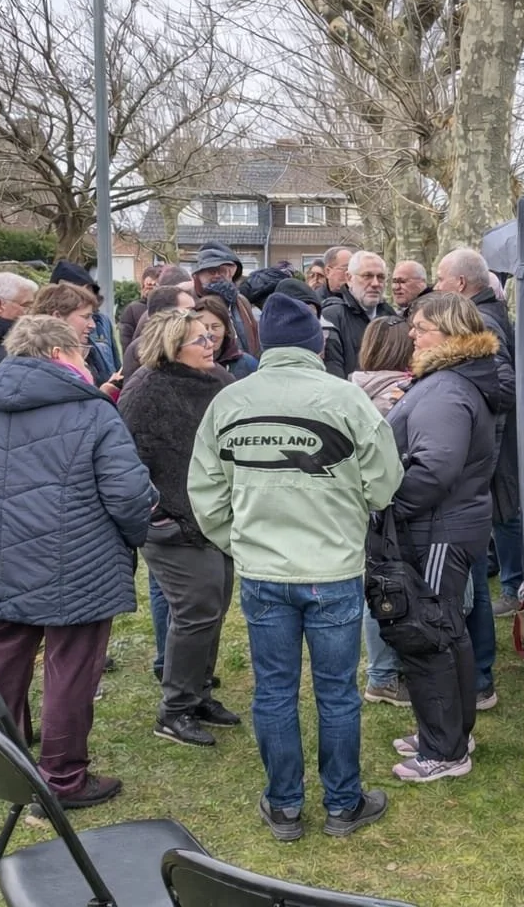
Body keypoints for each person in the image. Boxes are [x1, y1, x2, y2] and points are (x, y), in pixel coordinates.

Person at [189, 293, 402, 840]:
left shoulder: (230, 402)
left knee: (274, 690)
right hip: (331, 570)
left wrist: (240, 543)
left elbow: (206, 493)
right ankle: (342, 804)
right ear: (317, 344)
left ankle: (285, 807)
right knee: (336, 691)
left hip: (264, 571)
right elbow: (385, 483)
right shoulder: (347, 400)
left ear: (267, 346)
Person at [0, 314, 155, 810]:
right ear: (62, 355)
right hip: (76, 558)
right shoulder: (93, 411)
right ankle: (62, 779)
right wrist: (135, 537)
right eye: (82, 351)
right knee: (71, 667)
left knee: (0, 653)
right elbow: (128, 494)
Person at [384, 292, 505, 780]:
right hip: (447, 524)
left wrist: (392, 509)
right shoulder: (447, 382)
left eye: (421, 327)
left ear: (451, 334)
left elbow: (435, 468)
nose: (412, 334)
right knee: (448, 631)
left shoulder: (448, 390)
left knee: (430, 633)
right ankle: (449, 731)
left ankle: (444, 752)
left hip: (438, 529)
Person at [119, 309, 239, 749]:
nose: (210, 344)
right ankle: (174, 711)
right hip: (173, 523)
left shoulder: (221, 383)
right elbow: (126, 463)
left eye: (211, 337)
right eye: (199, 340)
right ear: (172, 347)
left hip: (216, 518)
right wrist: (159, 514)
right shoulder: (145, 390)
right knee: (195, 612)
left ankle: (199, 693)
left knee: (215, 606)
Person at [435, 251, 520, 674]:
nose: (436, 286)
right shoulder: (488, 313)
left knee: (474, 555)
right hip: (484, 455)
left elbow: (505, 387)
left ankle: (479, 668)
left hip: (481, 458)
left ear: (462, 285)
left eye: (440, 279)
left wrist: (469, 419)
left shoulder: (482, 322)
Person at [349, 316, 416, 709]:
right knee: (384, 587)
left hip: (362, 502)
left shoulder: (355, 386)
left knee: (377, 582)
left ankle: (384, 671)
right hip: (389, 502)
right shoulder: (397, 393)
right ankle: (383, 676)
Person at [32, 281, 119, 398]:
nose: (93, 325)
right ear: (57, 316)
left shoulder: (88, 353)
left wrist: (103, 392)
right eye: (86, 317)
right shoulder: (39, 363)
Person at [322, 250, 396, 376]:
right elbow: (332, 371)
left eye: (381, 277)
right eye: (367, 276)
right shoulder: (332, 317)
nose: (375, 284)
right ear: (349, 278)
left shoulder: (391, 316)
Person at [50, 261, 121, 383]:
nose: (91, 325)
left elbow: (115, 364)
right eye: (85, 316)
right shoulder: (42, 344)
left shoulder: (102, 321)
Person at [191, 242, 261, 356]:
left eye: (223, 270)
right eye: (212, 271)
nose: (217, 275)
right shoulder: (190, 303)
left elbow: (254, 339)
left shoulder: (241, 302)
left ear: (232, 273)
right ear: (198, 274)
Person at [120, 285, 199, 383]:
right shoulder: (141, 349)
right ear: (164, 314)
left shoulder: (194, 343)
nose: (196, 316)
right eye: (189, 310)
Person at [196, 294, 259, 381]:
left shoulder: (246, 364)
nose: (210, 333)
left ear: (226, 329)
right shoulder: (188, 366)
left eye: (215, 326)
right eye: (204, 327)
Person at [119, 264, 164, 348]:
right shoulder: (132, 309)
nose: (153, 290)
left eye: (157, 286)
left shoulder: (172, 307)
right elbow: (127, 346)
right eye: (149, 286)